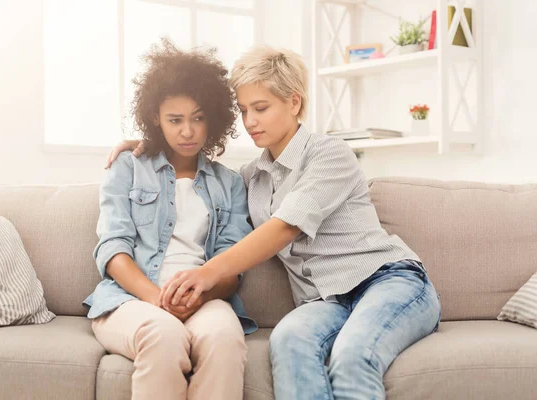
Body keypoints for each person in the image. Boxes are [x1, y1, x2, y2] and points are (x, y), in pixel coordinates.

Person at [106, 45, 441, 400]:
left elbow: (284, 227)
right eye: (245, 110)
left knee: (352, 357)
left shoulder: (329, 153)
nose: (250, 121)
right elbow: (199, 177)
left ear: (294, 103)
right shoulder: (251, 177)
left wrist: (205, 275)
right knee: (287, 342)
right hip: (324, 303)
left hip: (387, 282)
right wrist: (153, 142)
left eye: (261, 109)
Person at [84, 39, 257, 400]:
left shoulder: (230, 184)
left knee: (225, 338)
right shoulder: (128, 167)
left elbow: (232, 264)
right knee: (164, 335)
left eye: (197, 118)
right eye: (174, 120)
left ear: (213, 116)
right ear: (156, 120)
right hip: (131, 300)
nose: (188, 131)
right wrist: (157, 298)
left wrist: (198, 295)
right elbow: (113, 248)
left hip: (204, 300)